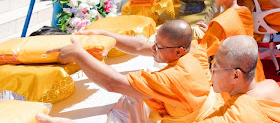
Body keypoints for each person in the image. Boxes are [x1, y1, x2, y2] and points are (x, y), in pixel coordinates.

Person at [44, 19, 213, 123]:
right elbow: (140, 46)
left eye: (158, 46)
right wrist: (106, 35)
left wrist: (78, 55)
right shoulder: (194, 50)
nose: (153, 48)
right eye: (155, 43)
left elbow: (113, 83)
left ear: (178, 51)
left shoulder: (174, 77)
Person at [202, 35, 280, 123]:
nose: (211, 71)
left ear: (235, 75)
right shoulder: (272, 86)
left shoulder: (232, 117)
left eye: (216, 66)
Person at [196, 0, 265, 82]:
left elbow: (204, 50)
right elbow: (235, 36)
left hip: (237, 76)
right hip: (254, 69)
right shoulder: (245, 11)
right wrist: (211, 31)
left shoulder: (221, 21)